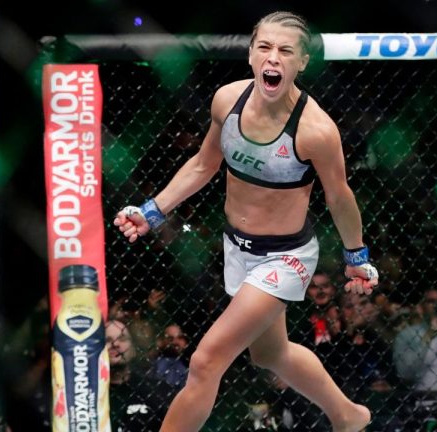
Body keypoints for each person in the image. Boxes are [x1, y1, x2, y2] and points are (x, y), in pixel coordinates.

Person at [114, 10, 379, 431]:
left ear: (302, 62)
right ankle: (348, 416)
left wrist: (356, 255)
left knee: (205, 360)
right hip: (237, 247)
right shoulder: (227, 101)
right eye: (265, 47)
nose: (273, 58)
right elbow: (203, 165)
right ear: (252, 55)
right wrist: (153, 210)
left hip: (285, 258)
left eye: (285, 51)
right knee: (271, 354)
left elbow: (339, 196)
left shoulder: (316, 132)